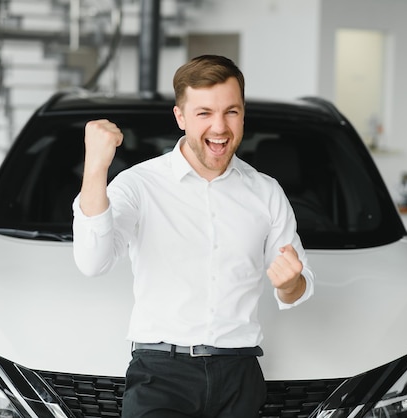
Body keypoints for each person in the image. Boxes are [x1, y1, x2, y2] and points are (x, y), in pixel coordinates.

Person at [72, 55, 314, 418]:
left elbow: (298, 288)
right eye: (204, 113)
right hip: (161, 374)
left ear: (243, 114)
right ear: (180, 117)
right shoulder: (139, 185)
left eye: (231, 112)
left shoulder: (266, 193)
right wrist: (95, 167)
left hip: (240, 374)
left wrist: (290, 283)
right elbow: (92, 262)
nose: (220, 127)